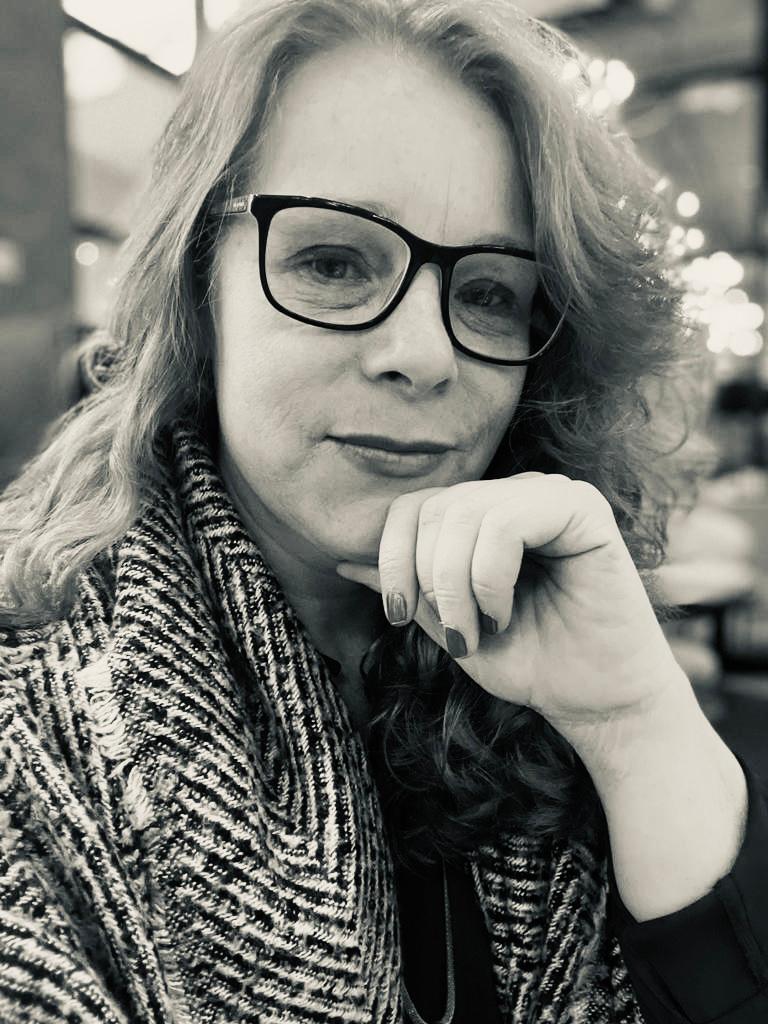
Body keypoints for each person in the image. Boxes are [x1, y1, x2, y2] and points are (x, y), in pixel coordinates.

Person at [1, 1, 766, 1021]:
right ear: (196, 290)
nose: (425, 353)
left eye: (489, 293)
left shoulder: (554, 643)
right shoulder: (31, 736)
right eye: (332, 262)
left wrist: (635, 728)